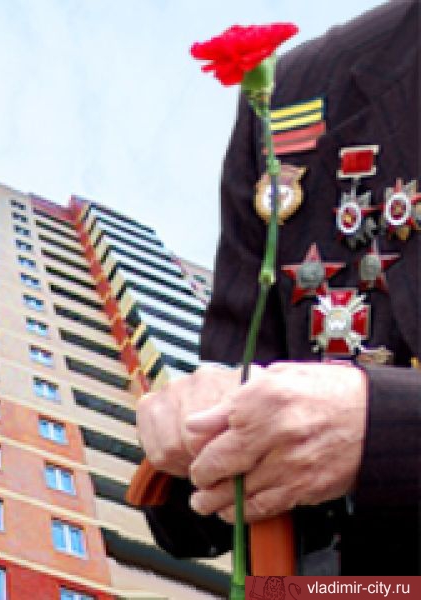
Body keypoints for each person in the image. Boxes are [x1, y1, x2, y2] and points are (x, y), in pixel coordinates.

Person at [133, 0, 420, 575]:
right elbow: (197, 518)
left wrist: (386, 429)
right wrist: (196, 430)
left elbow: (370, 426)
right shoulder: (299, 89)